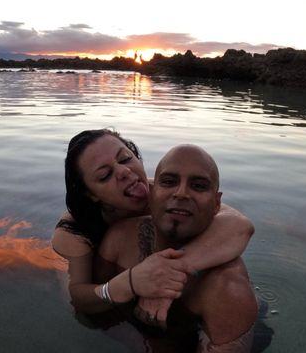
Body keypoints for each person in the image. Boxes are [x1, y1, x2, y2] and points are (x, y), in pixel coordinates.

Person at [52, 129, 254, 317]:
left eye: (125, 158)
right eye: (105, 175)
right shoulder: (73, 231)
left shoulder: (165, 192)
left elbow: (239, 226)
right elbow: (77, 298)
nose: (123, 171)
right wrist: (130, 283)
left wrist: (167, 272)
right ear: (90, 194)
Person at [96, 144, 258, 352]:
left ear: (217, 204)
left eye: (198, 186)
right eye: (169, 182)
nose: (181, 193)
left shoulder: (227, 290)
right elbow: (95, 309)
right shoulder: (120, 239)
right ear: (152, 193)